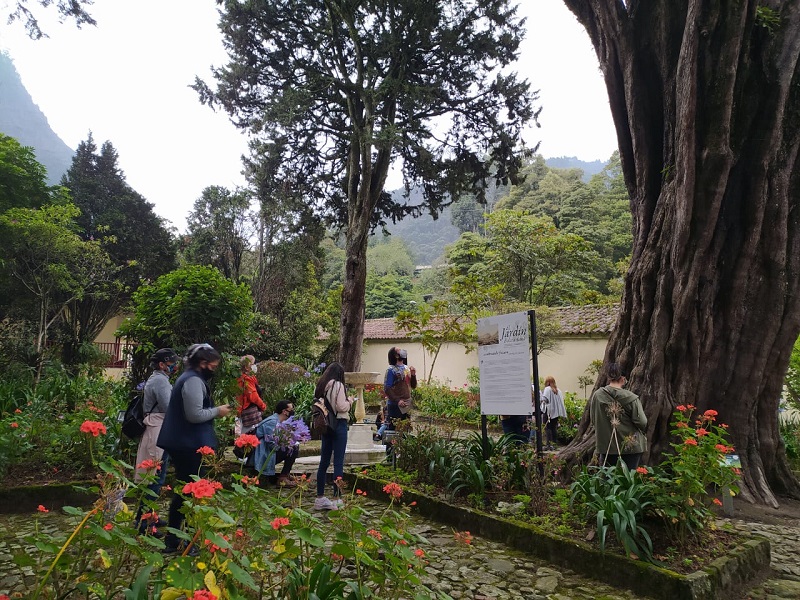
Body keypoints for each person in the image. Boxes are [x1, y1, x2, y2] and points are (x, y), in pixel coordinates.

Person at [157, 343, 232, 553]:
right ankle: (185, 541)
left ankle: (177, 540)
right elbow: (194, 414)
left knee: (185, 493)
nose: (214, 370)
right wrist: (218, 411)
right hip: (188, 446)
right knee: (191, 494)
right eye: (213, 366)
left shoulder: (190, 378)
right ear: (203, 363)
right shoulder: (192, 381)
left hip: (185, 443)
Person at [134, 348, 178, 533]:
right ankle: (143, 523)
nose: (174, 366)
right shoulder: (160, 381)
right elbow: (169, 407)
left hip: (159, 429)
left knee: (156, 477)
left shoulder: (158, 379)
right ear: (162, 364)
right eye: (171, 363)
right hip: (158, 430)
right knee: (155, 480)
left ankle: (149, 516)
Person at [590, 362, 647, 470]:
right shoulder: (631, 398)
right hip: (630, 447)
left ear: (609, 377)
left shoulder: (597, 396)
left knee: (608, 479)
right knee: (627, 479)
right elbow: (642, 422)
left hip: (606, 446)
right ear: (623, 378)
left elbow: (593, 420)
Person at [314, 362, 353, 511]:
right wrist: (350, 401)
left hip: (326, 426)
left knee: (323, 462)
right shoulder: (338, 385)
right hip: (339, 424)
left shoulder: (321, 386)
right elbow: (341, 407)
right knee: (338, 462)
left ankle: (320, 497)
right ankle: (337, 498)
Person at [252, 400, 299, 487]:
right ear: (284, 411)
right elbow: (272, 443)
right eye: (291, 410)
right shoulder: (272, 422)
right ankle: (283, 477)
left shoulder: (278, 421)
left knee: (293, 446)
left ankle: (285, 475)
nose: (293, 412)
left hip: (266, 451)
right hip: (262, 454)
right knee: (293, 448)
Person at [384, 347, 417, 428]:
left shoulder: (406, 368)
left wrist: (413, 375)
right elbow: (387, 388)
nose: (402, 351)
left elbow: (413, 385)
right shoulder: (391, 370)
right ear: (395, 355)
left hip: (407, 403)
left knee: (405, 429)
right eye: (399, 350)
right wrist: (398, 400)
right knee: (394, 429)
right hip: (395, 405)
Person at [236, 355, 267, 434]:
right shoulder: (246, 379)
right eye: (253, 364)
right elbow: (253, 396)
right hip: (248, 412)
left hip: (242, 410)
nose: (255, 366)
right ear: (247, 367)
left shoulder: (242, 377)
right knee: (248, 434)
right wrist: (263, 406)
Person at [541, 376, 567, 450]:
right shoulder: (558, 390)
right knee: (553, 427)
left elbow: (544, 399)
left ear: (548, 382)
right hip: (556, 412)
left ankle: (549, 444)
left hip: (548, 411)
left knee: (548, 428)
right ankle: (554, 444)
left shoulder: (547, 389)